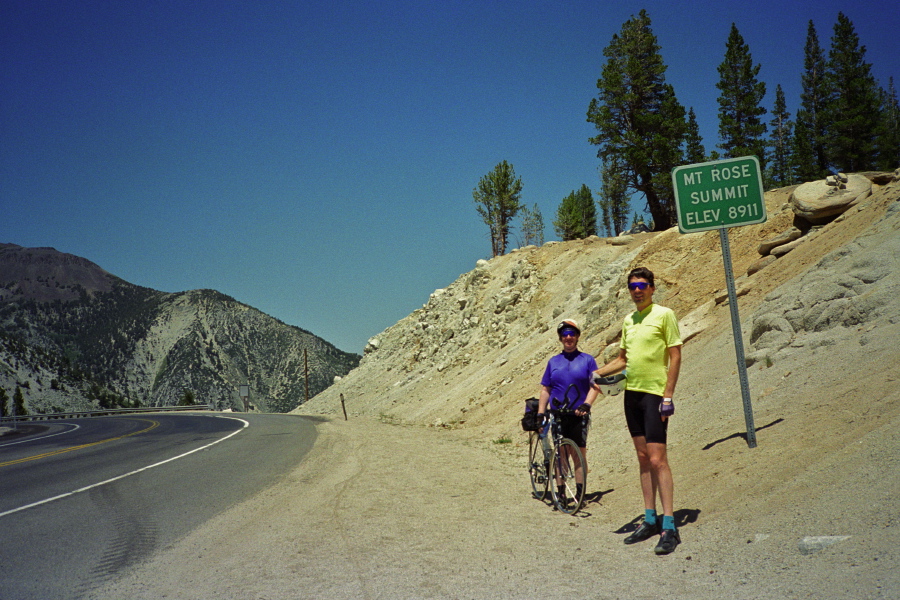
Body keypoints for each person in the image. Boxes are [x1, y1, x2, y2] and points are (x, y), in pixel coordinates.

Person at [592, 267, 683, 555]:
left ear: (652, 288)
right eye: (633, 286)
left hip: (655, 395)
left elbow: (676, 355)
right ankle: (649, 519)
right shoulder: (629, 320)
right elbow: (623, 359)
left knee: (658, 459)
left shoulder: (664, 314)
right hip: (631, 396)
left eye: (642, 285)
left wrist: (668, 395)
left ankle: (669, 525)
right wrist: (597, 372)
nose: (637, 290)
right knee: (643, 458)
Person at [537, 319, 599, 507]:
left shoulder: (588, 360)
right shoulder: (553, 362)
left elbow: (595, 385)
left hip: (579, 414)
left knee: (579, 453)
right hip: (558, 414)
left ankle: (579, 495)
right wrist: (541, 413)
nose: (569, 337)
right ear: (560, 338)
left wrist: (587, 405)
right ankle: (561, 493)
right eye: (565, 334)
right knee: (560, 454)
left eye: (572, 333)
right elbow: (545, 389)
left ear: (578, 336)